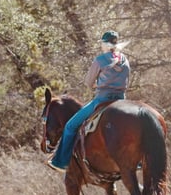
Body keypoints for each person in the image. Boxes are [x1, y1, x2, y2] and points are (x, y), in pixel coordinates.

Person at [48, 30, 130, 172]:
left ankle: (61, 162)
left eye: (102, 43)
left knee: (70, 126)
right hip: (121, 100)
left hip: (102, 100)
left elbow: (88, 82)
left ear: (105, 44)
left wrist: (96, 85)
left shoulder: (100, 60)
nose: (101, 46)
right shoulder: (124, 59)